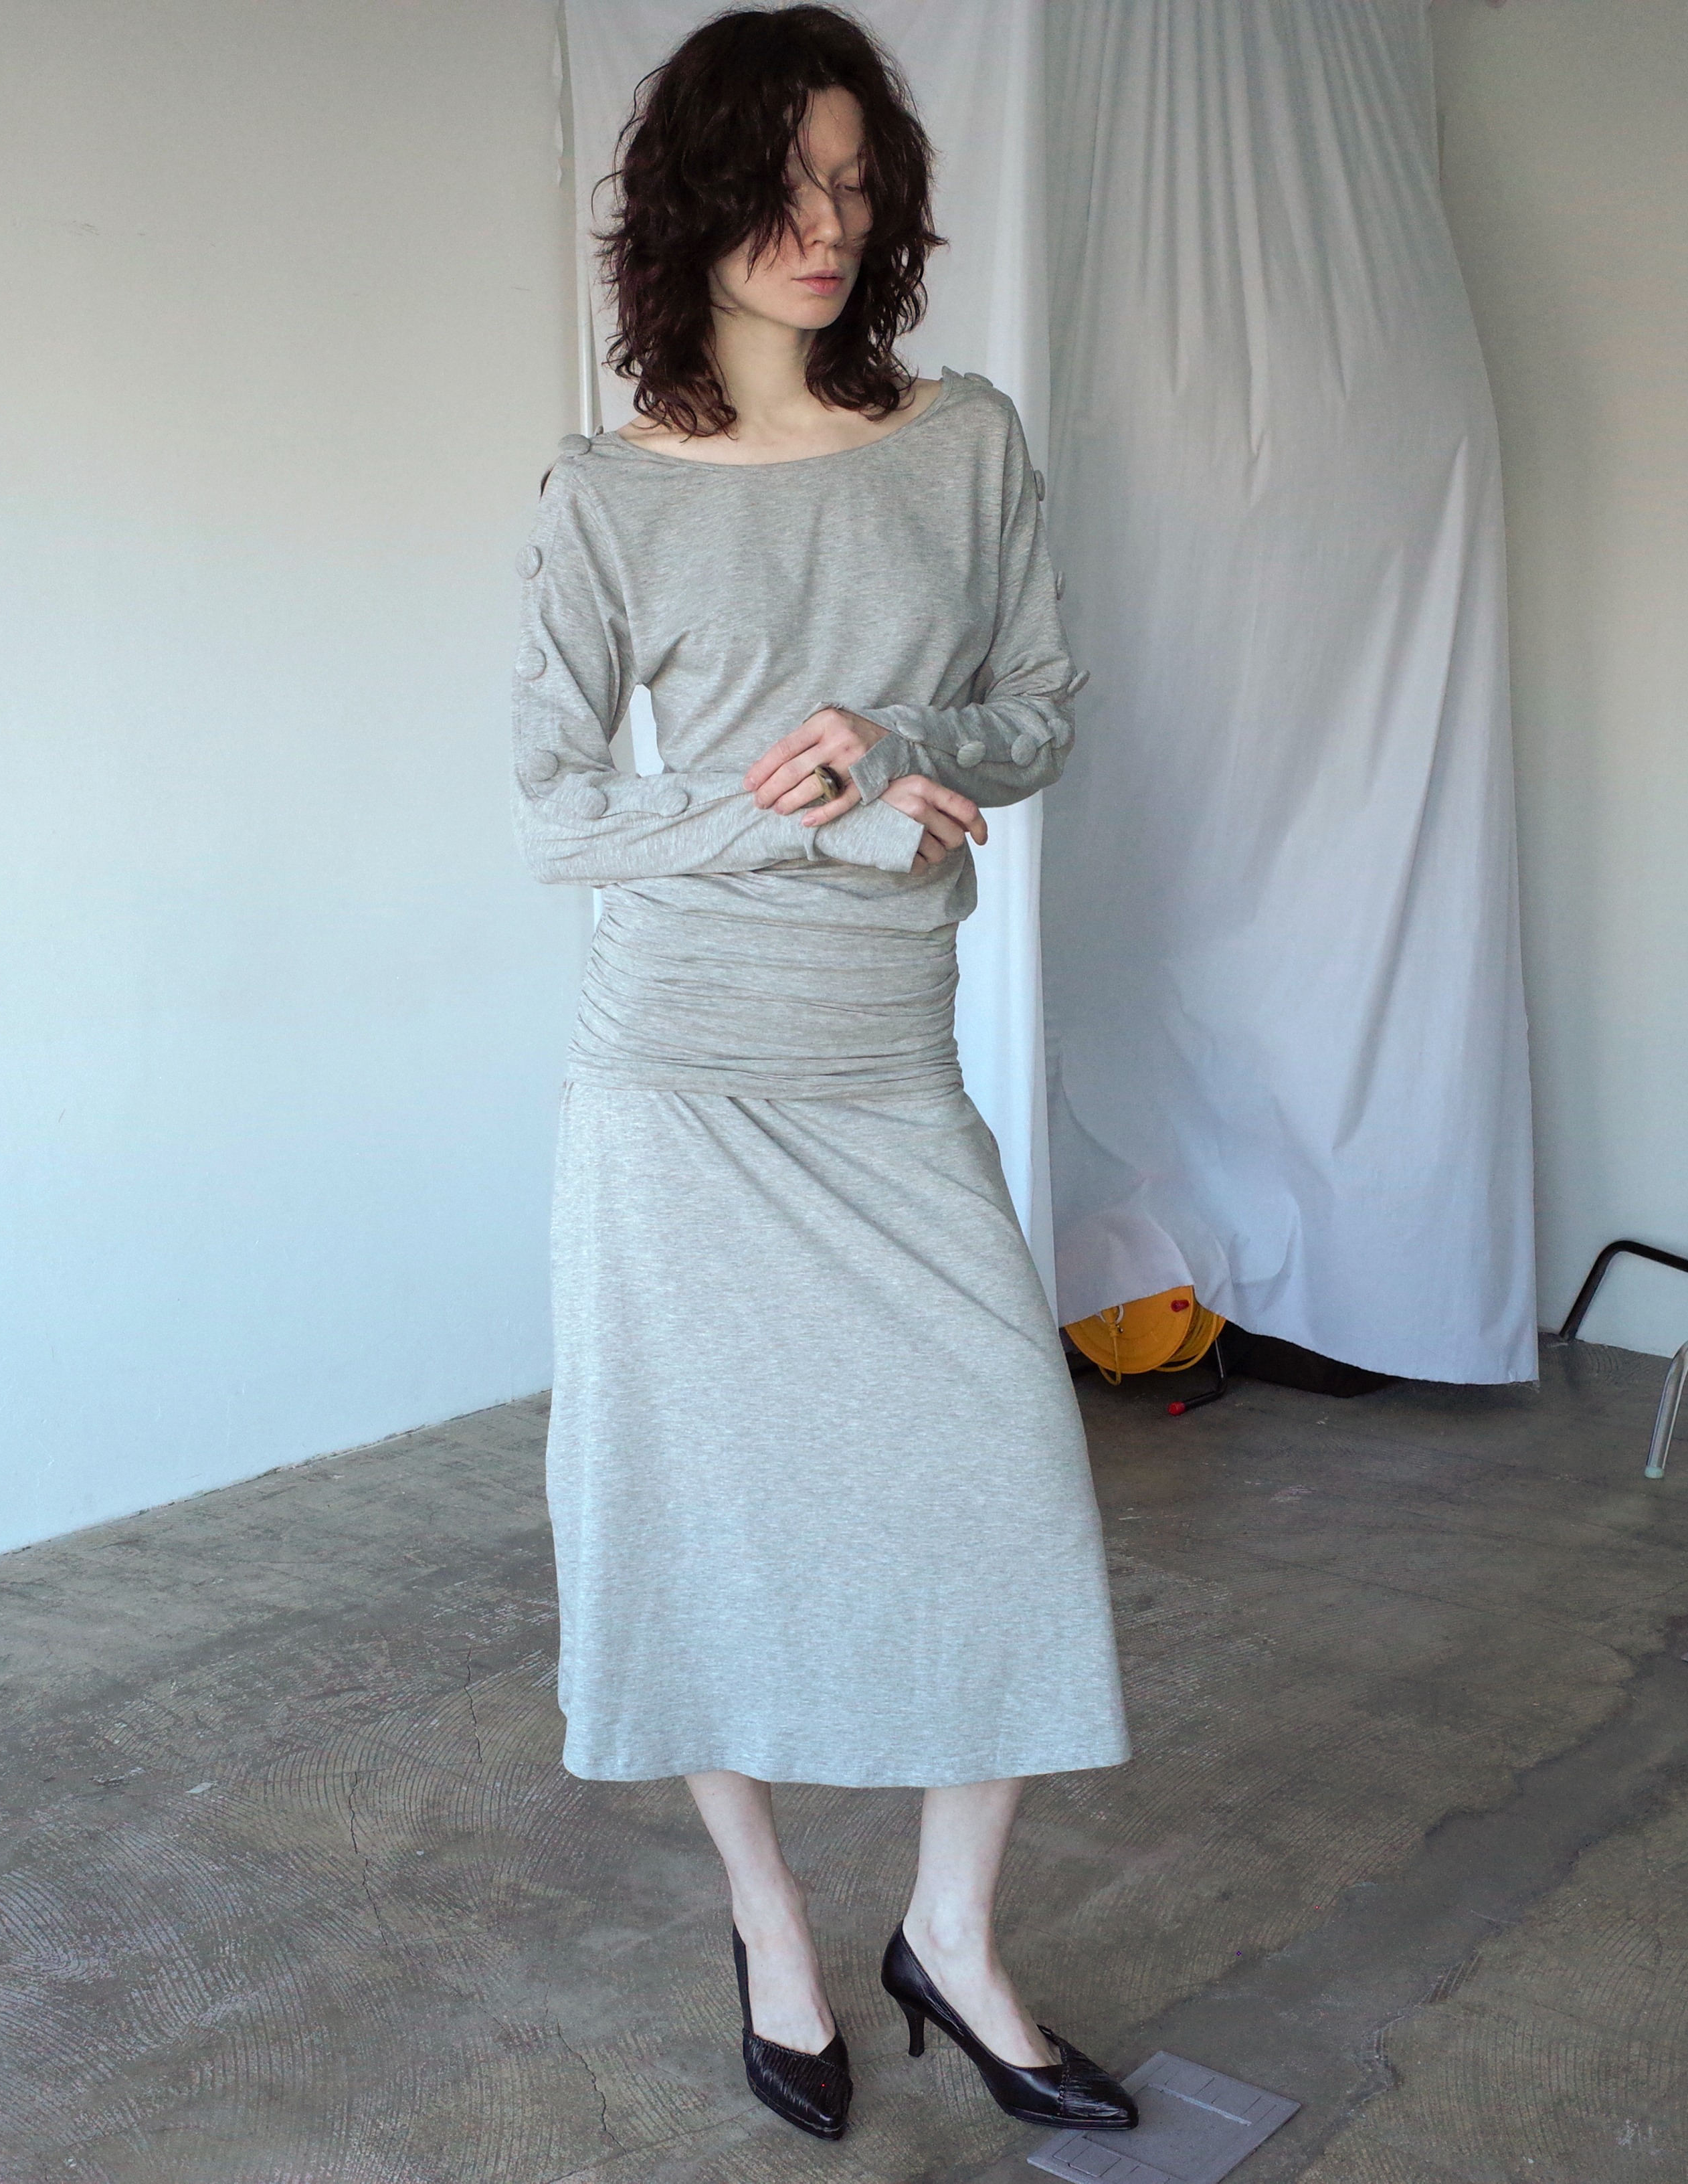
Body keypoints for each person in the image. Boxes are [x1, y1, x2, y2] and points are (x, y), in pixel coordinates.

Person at [509, 3, 1138, 2147]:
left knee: (1004, 1483)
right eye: (787, 184)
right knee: (684, 1506)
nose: (830, 224)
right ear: (692, 201)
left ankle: (951, 1937)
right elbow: (559, 811)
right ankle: (773, 1924)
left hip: (880, 1060)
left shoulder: (963, 443)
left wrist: (901, 744)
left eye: (860, 185)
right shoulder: (605, 492)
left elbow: (1040, 709)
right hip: (677, 1066)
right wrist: (813, 816)